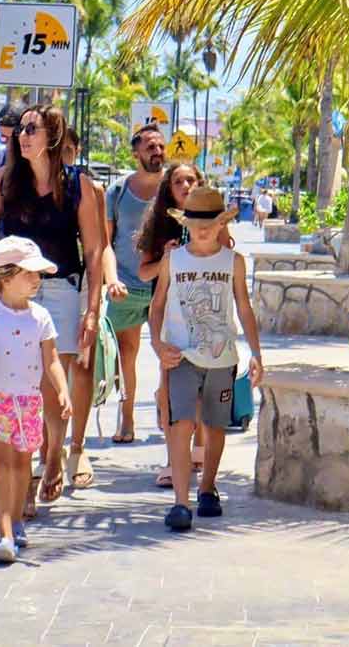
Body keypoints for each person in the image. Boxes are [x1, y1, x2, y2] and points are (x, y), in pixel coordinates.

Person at [0, 104, 103, 511]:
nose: (23, 135)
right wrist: (4, 259)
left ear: (53, 135)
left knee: (52, 386)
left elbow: (95, 248)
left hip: (63, 289)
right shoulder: (5, 182)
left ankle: (53, 458)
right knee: (22, 386)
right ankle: (29, 478)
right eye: (20, 129)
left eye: (32, 128)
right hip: (15, 294)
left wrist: (93, 306)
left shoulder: (78, 185)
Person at [147, 187, 263, 531]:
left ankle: (208, 486)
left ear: (221, 224)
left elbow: (244, 307)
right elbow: (156, 307)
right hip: (180, 356)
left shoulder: (233, 262)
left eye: (210, 222)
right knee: (180, 424)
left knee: (214, 425)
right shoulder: (173, 260)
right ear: (187, 223)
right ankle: (180, 502)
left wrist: (256, 354)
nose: (202, 229)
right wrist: (157, 343)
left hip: (222, 358)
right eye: (196, 222)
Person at [0, 236, 71, 562]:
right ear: (6, 277)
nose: (37, 280)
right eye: (30, 273)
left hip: (29, 401)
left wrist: (62, 389)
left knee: (22, 464)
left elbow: (51, 359)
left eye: (38, 274)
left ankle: (18, 519)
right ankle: (4, 533)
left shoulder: (40, 317)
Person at [137, 161, 204, 489]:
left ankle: (199, 449)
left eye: (192, 180)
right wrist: (164, 260)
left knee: (201, 387)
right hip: (167, 316)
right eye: (179, 181)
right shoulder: (161, 227)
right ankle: (171, 460)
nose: (186, 186)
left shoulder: (210, 221)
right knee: (169, 387)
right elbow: (143, 273)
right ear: (169, 188)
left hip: (204, 315)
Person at [102, 124, 167, 444]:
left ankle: (164, 402)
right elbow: (105, 243)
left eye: (160, 146)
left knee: (169, 353)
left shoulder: (175, 187)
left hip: (164, 286)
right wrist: (110, 279)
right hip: (125, 286)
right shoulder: (117, 191)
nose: (157, 152)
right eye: (150, 147)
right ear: (136, 153)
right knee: (124, 353)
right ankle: (126, 417)